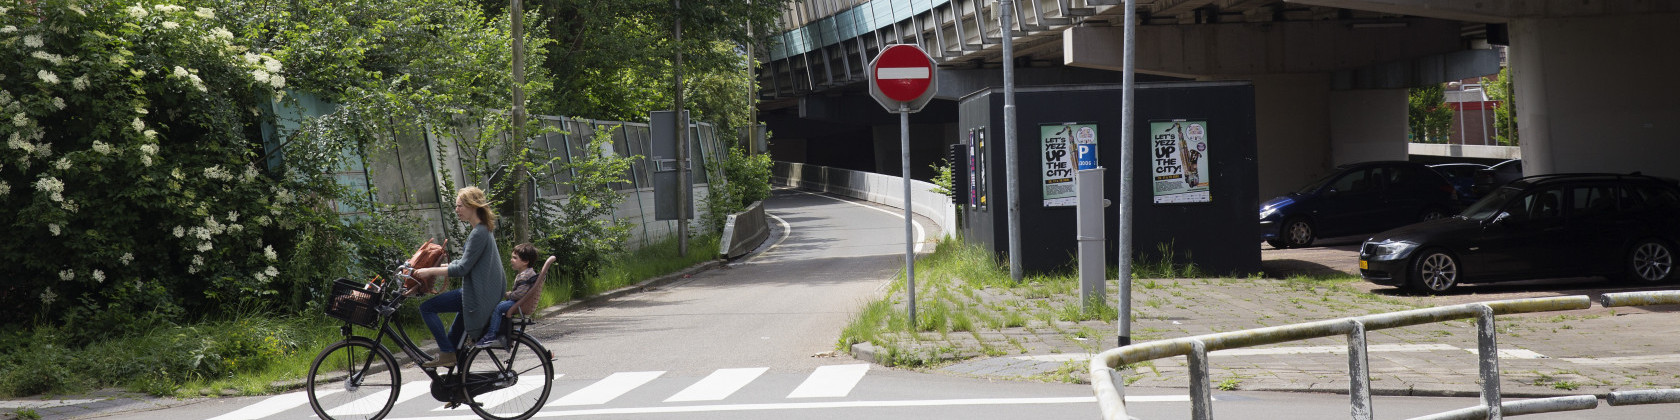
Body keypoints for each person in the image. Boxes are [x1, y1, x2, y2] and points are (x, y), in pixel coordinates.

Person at [412, 187, 506, 368]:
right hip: (482, 292)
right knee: (455, 343)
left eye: (460, 206)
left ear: (473, 206)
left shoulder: (479, 232)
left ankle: (446, 354)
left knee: (427, 308)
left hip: (477, 294)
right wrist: (440, 266)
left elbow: (462, 268)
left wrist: (429, 271)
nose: (456, 210)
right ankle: (456, 382)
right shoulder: (482, 229)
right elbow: (467, 262)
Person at [477, 243, 541, 348]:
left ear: (525, 261)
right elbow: (522, 291)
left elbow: (519, 294)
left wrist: (508, 294)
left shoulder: (525, 276)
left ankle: (491, 334)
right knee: (500, 306)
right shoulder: (527, 273)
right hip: (521, 303)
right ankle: (504, 334)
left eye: (515, 258)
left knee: (498, 308)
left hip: (520, 304)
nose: (511, 260)